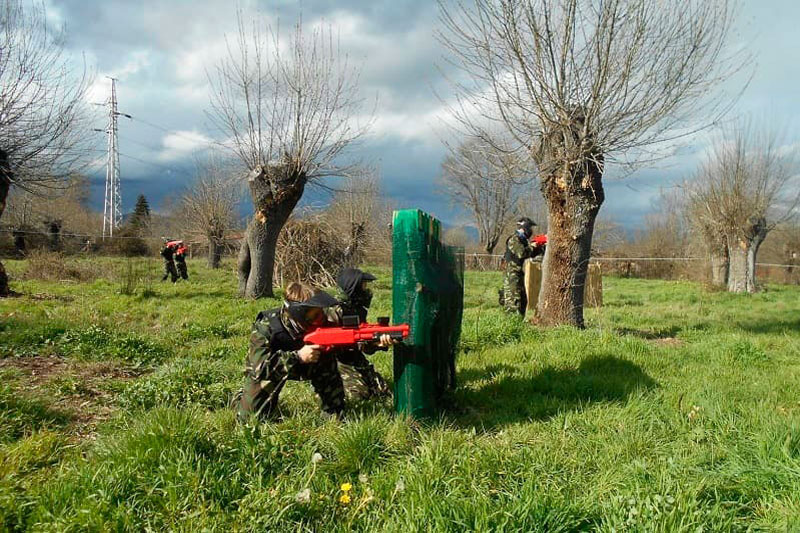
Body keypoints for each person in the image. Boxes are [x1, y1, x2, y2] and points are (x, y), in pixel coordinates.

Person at [236, 283, 346, 422]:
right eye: (315, 315)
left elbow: (351, 342)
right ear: (299, 315)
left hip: (314, 365)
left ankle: (332, 411)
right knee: (250, 419)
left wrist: (374, 343)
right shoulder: (267, 327)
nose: (321, 319)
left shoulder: (325, 319)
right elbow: (261, 367)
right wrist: (298, 357)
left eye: (321, 312)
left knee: (337, 417)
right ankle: (240, 396)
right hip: (272, 371)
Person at [327, 268, 393, 400]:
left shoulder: (357, 309)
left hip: (355, 359)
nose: (366, 290)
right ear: (352, 287)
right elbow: (330, 344)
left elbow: (363, 345)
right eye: (363, 286)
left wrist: (377, 343)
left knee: (383, 393)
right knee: (356, 397)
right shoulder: (334, 310)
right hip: (336, 362)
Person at [501, 217, 544, 315]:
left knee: (523, 301)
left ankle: (518, 323)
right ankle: (511, 325)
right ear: (525, 228)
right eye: (530, 228)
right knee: (514, 301)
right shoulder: (514, 239)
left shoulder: (522, 240)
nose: (531, 231)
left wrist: (539, 247)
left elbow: (530, 253)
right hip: (511, 275)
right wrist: (533, 246)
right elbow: (521, 253)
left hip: (518, 274)